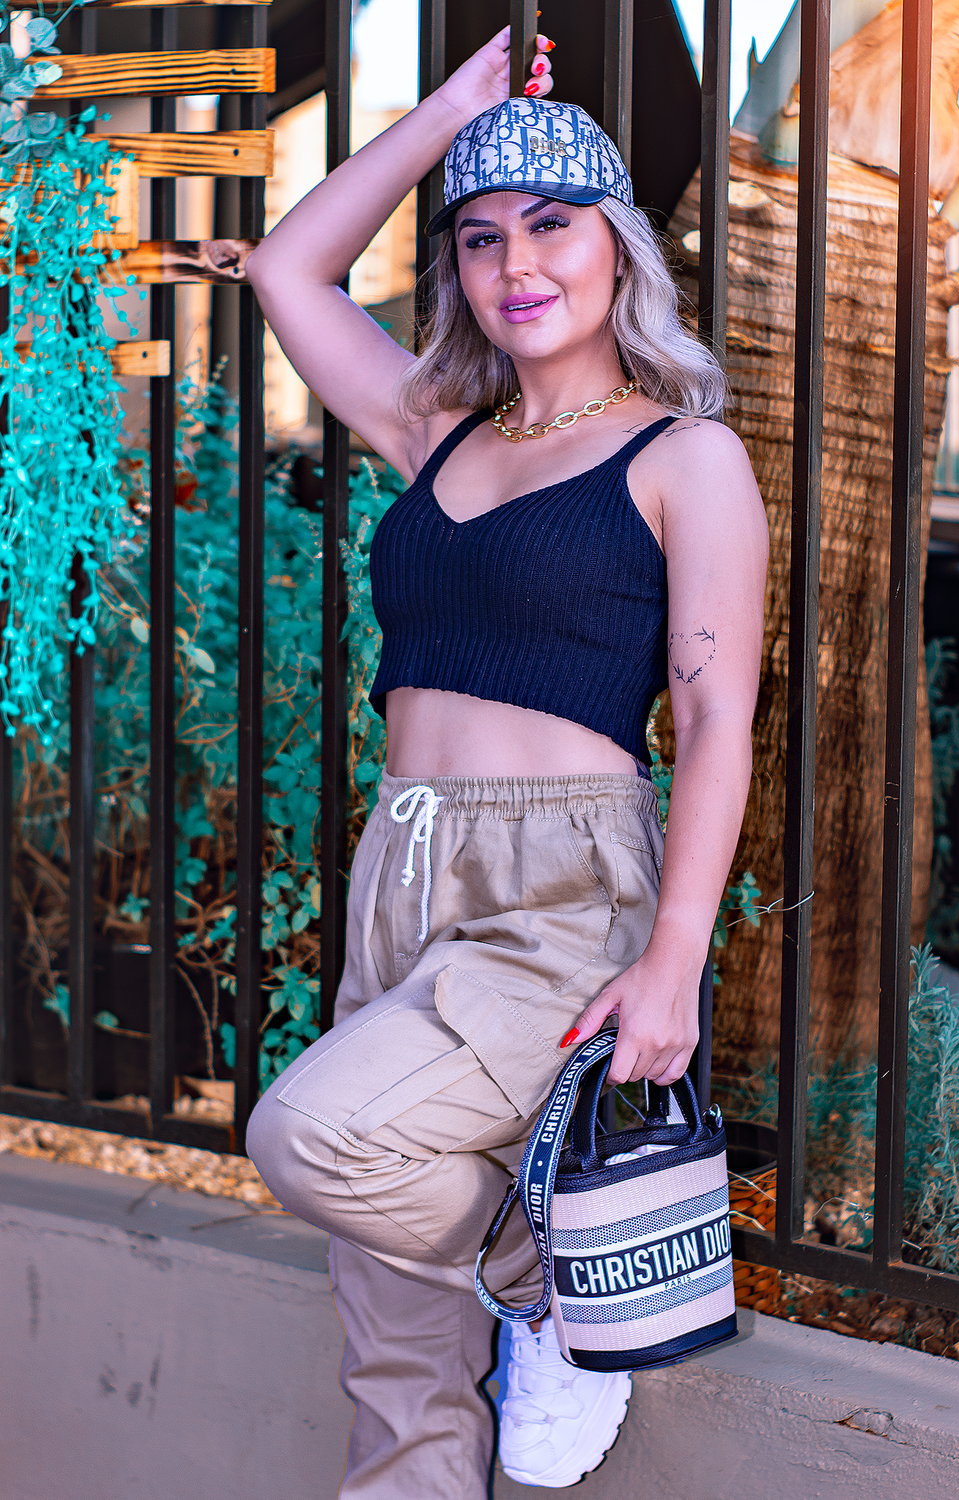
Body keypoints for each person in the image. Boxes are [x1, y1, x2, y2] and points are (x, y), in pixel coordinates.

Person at [244, 26, 767, 1498]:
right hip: (401, 870)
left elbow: (716, 724)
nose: (516, 264)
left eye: (551, 225)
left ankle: (552, 1278)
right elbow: (289, 269)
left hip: (561, 893)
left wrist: (672, 963)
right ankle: (513, 1319)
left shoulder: (684, 456)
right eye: (480, 238)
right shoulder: (439, 431)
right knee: (390, 1347)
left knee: (318, 1141)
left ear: (618, 248)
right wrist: (451, 112)